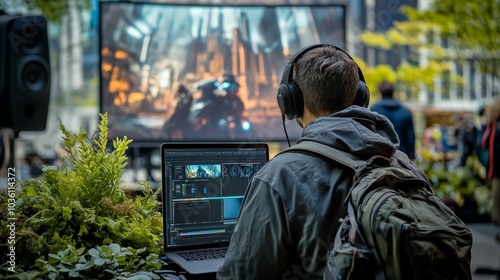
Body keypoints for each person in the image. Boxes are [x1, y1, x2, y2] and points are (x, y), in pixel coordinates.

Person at [217, 44, 405, 279]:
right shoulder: (401, 164)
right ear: (359, 96)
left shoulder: (279, 176)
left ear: (289, 100)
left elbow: (240, 274)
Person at [370, 81, 416, 160]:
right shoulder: (405, 112)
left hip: (379, 159)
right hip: (402, 158)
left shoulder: (373, 111)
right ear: (393, 92)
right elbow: (411, 139)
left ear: (380, 92)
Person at [482, 98, 500, 227]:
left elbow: (485, 142)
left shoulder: (494, 126)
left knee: (497, 203)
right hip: (497, 169)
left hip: (498, 170)